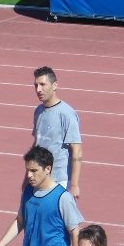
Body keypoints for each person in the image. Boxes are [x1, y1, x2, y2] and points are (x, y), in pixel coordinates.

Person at [30, 66, 83, 199]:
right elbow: (37, 143)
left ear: (54, 85)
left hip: (58, 180)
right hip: (40, 177)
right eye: (36, 85)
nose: (38, 89)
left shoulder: (66, 114)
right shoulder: (39, 111)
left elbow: (77, 150)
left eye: (42, 84)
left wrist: (74, 185)